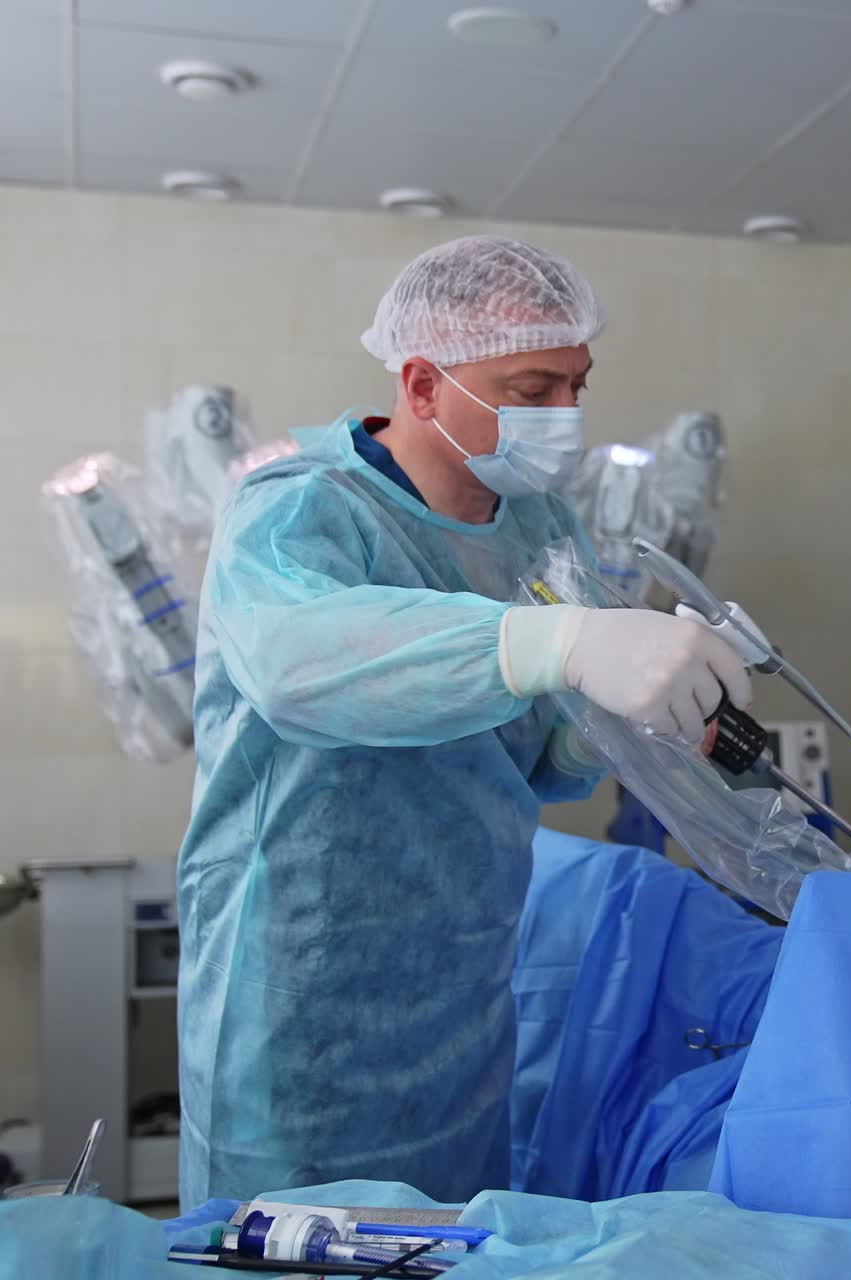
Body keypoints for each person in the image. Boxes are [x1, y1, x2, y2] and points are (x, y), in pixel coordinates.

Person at [176, 235, 751, 1209]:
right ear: (421, 383)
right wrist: (554, 641)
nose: (563, 414)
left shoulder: (542, 533)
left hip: (463, 980)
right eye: (531, 388)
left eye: (576, 385)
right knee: (293, 1243)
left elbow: (532, 755)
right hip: (300, 993)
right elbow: (294, 662)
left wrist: (620, 722)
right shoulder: (298, 509)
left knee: (450, 1241)